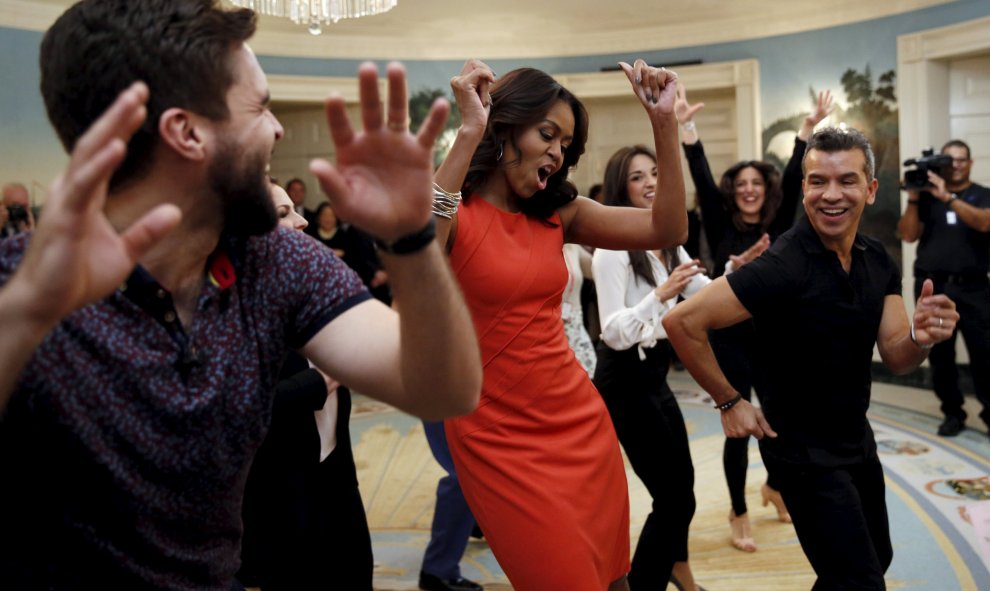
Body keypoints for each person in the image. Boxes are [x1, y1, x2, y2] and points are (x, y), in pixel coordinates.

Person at [0, 2, 482, 589]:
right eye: (259, 107)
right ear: (186, 132)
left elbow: (444, 387)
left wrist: (411, 241)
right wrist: (25, 320)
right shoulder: (19, 286)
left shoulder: (273, 259)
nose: (277, 129)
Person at [664, 127, 960, 590]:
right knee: (860, 580)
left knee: (873, 559)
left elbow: (898, 357)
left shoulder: (876, 258)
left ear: (871, 188)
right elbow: (682, 322)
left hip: (854, 439)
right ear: (803, 188)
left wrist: (922, 338)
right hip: (801, 453)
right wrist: (728, 400)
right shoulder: (784, 264)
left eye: (846, 180)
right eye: (818, 181)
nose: (831, 194)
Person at [432, 57, 688, 591]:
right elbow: (418, 251)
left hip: (577, 423)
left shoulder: (560, 216)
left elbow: (667, 225)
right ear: (506, 128)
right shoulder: (456, 209)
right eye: (547, 134)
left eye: (566, 146)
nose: (557, 152)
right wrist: (469, 130)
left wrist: (662, 125)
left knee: (612, 579)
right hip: (493, 437)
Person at [675, 85, 834, 551]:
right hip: (730, 339)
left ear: (766, 191)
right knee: (739, 429)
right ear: (733, 192)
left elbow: (793, 169)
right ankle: (738, 510)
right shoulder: (721, 225)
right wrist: (688, 128)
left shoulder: (781, 222)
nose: (748, 189)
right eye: (740, 184)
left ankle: (775, 487)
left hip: (776, 336)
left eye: (756, 184)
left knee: (780, 421)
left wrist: (807, 129)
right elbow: (701, 176)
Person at [238, 181, 373, 590]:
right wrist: (323, 378)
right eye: (282, 215)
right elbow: (242, 405)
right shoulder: (234, 309)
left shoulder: (311, 285)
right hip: (280, 490)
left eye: (294, 210)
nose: (301, 221)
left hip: (335, 470)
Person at [591, 145, 710, 590]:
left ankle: (673, 567)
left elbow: (704, 290)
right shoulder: (611, 249)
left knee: (684, 488)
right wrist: (659, 297)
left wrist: (744, 273)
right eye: (638, 177)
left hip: (654, 373)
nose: (652, 183)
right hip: (622, 379)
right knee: (673, 499)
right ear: (621, 188)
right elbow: (612, 331)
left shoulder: (667, 242)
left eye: (655, 173)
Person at [897, 139, 990, 439]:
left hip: (974, 288)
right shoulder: (925, 198)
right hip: (934, 286)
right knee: (940, 356)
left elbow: (984, 223)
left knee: (985, 354)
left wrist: (947, 197)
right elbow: (909, 235)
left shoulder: (982, 195)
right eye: (951, 160)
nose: (957, 165)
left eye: (962, 159)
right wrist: (913, 197)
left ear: (970, 163)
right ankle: (952, 413)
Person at [419, 420, 483, 591]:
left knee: (482, 459)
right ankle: (438, 570)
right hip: (448, 397)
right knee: (464, 473)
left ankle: (472, 520)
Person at [309, 200, 391, 303]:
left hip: (346, 281)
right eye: (324, 215)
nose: (327, 219)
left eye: (331, 215)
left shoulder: (344, 235)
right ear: (318, 217)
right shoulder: (310, 235)